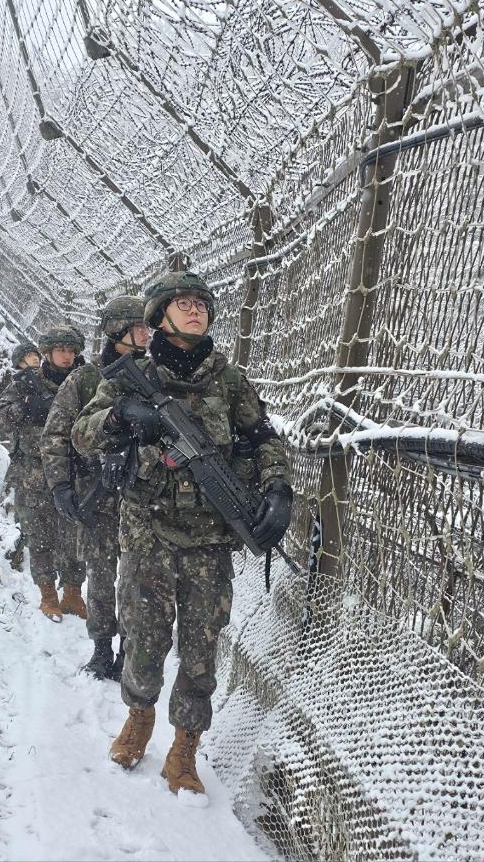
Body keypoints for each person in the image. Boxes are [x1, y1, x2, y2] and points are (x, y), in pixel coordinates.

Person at [71, 271, 292, 797]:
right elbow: (82, 432)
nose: (196, 311)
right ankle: (139, 717)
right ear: (160, 317)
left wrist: (279, 488)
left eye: (202, 303)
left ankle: (184, 749)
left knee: (201, 648)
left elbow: (263, 440)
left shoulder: (230, 380)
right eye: (183, 303)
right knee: (143, 640)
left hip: (210, 539)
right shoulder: (129, 376)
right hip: (146, 530)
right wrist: (123, 414)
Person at [41, 296, 148, 681]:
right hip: (97, 495)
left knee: (137, 581)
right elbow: (56, 434)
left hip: (142, 497)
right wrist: (61, 487)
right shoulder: (85, 379)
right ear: (117, 332)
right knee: (101, 577)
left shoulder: (155, 372)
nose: (145, 334)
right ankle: (102, 648)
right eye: (137, 328)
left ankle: (129, 651)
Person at [0, 326, 87, 622]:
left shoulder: (84, 380)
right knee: (40, 534)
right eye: (61, 351)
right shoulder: (25, 384)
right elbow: (0, 416)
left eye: (71, 351)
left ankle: (73, 592)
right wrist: (26, 408)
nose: (67, 356)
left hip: (74, 469)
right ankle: (48, 595)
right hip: (34, 472)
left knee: (74, 533)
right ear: (47, 353)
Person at [0, 343, 41, 572]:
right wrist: (22, 407)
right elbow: (1, 417)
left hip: (52, 461)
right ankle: (19, 557)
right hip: (25, 463)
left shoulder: (50, 380)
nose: (34, 359)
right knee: (26, 517)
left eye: (35, 355)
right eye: (28, 357)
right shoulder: (17, 386)